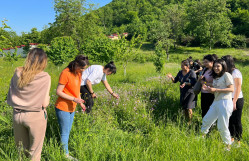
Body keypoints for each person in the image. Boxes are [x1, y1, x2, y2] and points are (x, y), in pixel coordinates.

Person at [7, 48, 51, 161]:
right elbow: (45, 103)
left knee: (21, 150)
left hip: (17, 115)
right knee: (34, 152)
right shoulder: (45, 77)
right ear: (43, 61)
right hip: (35, 115)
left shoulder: (17, 73)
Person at [55, 55, 88, 160]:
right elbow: (58, 91)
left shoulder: (78, 73)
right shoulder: (66, 73)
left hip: (72, 107)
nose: (83, 70)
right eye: (82, 68)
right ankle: (65, 155)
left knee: (67, 131)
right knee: (64, 132)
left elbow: (77, 90)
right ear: (76, 64)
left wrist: (80, 102)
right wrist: (74, 99)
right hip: (63, 106)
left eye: (84, 68)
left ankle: (65, 150)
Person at [201, 59, 234, 150]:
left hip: (225, 102)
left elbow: (231, 89)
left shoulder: (227, 75)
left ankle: (227, 145)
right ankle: (201, 137)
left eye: (218, 66)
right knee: (206, 119)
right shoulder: (216, 77)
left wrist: (215, 90)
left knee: (222, 125)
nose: (215, 68)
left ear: (223, 66)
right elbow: (215, 86)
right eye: (215, 66)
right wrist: (207, 86)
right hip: (216, 102)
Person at [222, 55, 244, 147]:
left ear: (228, 62)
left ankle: (238, 140)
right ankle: (232, 137)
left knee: (236, 120)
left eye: (223, 62)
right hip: (228, 98)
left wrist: (234, 101)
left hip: (237, 98)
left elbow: (238, 87)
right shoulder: (227, 72)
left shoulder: (236, 72)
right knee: (230, 120)